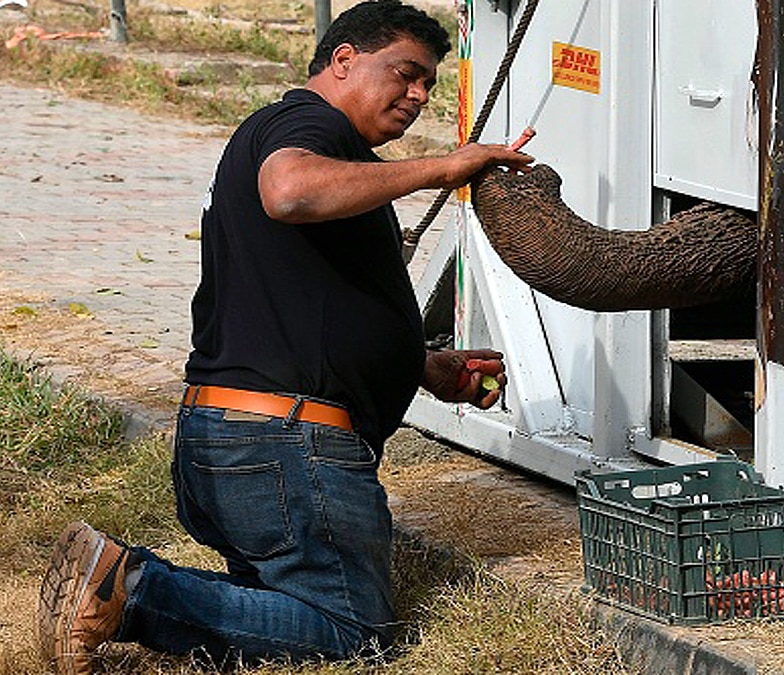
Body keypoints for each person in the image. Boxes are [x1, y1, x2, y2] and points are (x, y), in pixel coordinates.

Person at [35, 1, 532, 672]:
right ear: (345, 60)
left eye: (428, 86)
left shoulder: (310, 140)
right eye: (406, 74)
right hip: (283, 446)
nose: (417, 96)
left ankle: (108, 579)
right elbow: (290, 190)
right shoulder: (308, 125)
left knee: (280, 609)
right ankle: (132, 588)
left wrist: (420, 364)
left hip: (232, 435)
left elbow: (304, 298)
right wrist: (443, 168)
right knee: (352, 633)